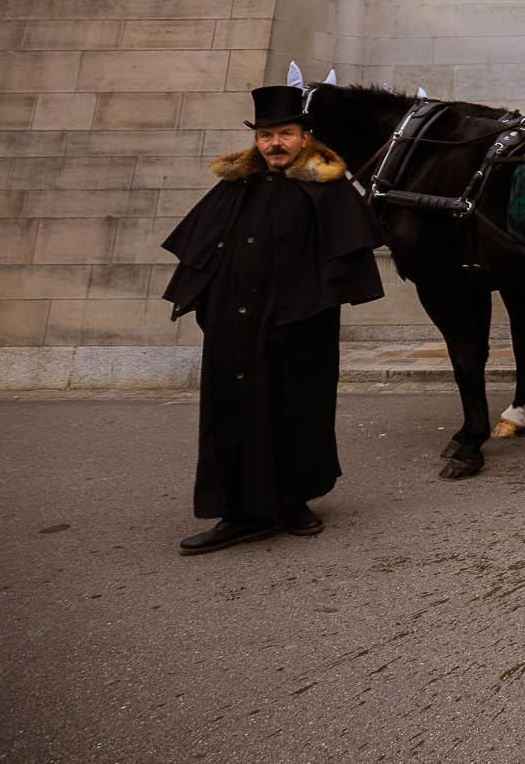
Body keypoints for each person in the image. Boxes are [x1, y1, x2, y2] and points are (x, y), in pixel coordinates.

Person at [162, 84, 385, 555]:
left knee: (299, 411)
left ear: (305, 137)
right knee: (233, 414)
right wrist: (207, 306)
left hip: (300, 327)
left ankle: (293, 502)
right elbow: (203, 250)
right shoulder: (235, 185)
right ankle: (241, 515)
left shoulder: (327, 189)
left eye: (285, 133)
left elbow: (344, 264)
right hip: (233, 327)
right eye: (266, 135)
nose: (275, 143)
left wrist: (307, 311)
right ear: (257, 140)